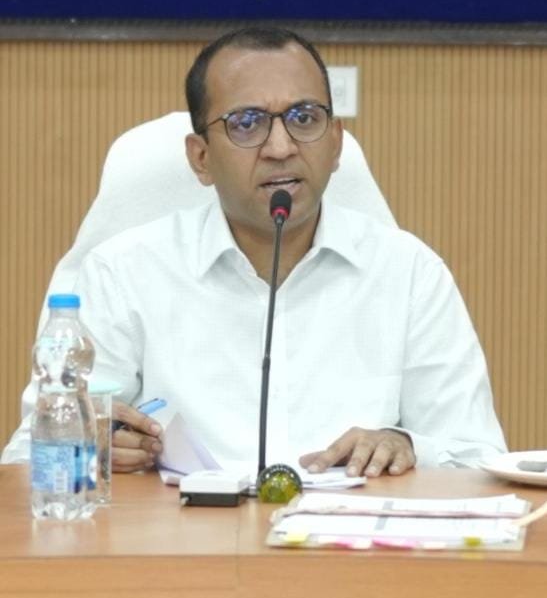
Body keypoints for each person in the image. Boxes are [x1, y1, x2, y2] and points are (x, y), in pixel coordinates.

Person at [2, 27, 507, 477]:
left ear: (335, 144)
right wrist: (89, 445)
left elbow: (477, 458)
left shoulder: (409, 273)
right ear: (201, 158)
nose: (281, 147)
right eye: (247, 123)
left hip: (352, 545)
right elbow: (29, 459)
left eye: (304, 118)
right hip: (178, 546)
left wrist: (407, 445)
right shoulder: (123, 274)